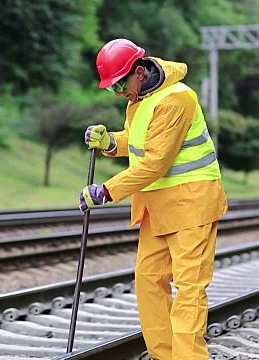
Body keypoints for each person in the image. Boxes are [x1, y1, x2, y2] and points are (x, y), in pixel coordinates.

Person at [79, 38, 229, 360]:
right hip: (158, 208)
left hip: (192, 205)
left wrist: (106, 192)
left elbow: (155, 162)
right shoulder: (139, 98)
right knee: (148, 282)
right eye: (112, 89)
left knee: (189, 290)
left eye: (120, 84)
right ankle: (164, 356)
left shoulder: (178, 99)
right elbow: (139, 142)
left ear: (139, 72)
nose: (118, 93)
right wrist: (109, 142)